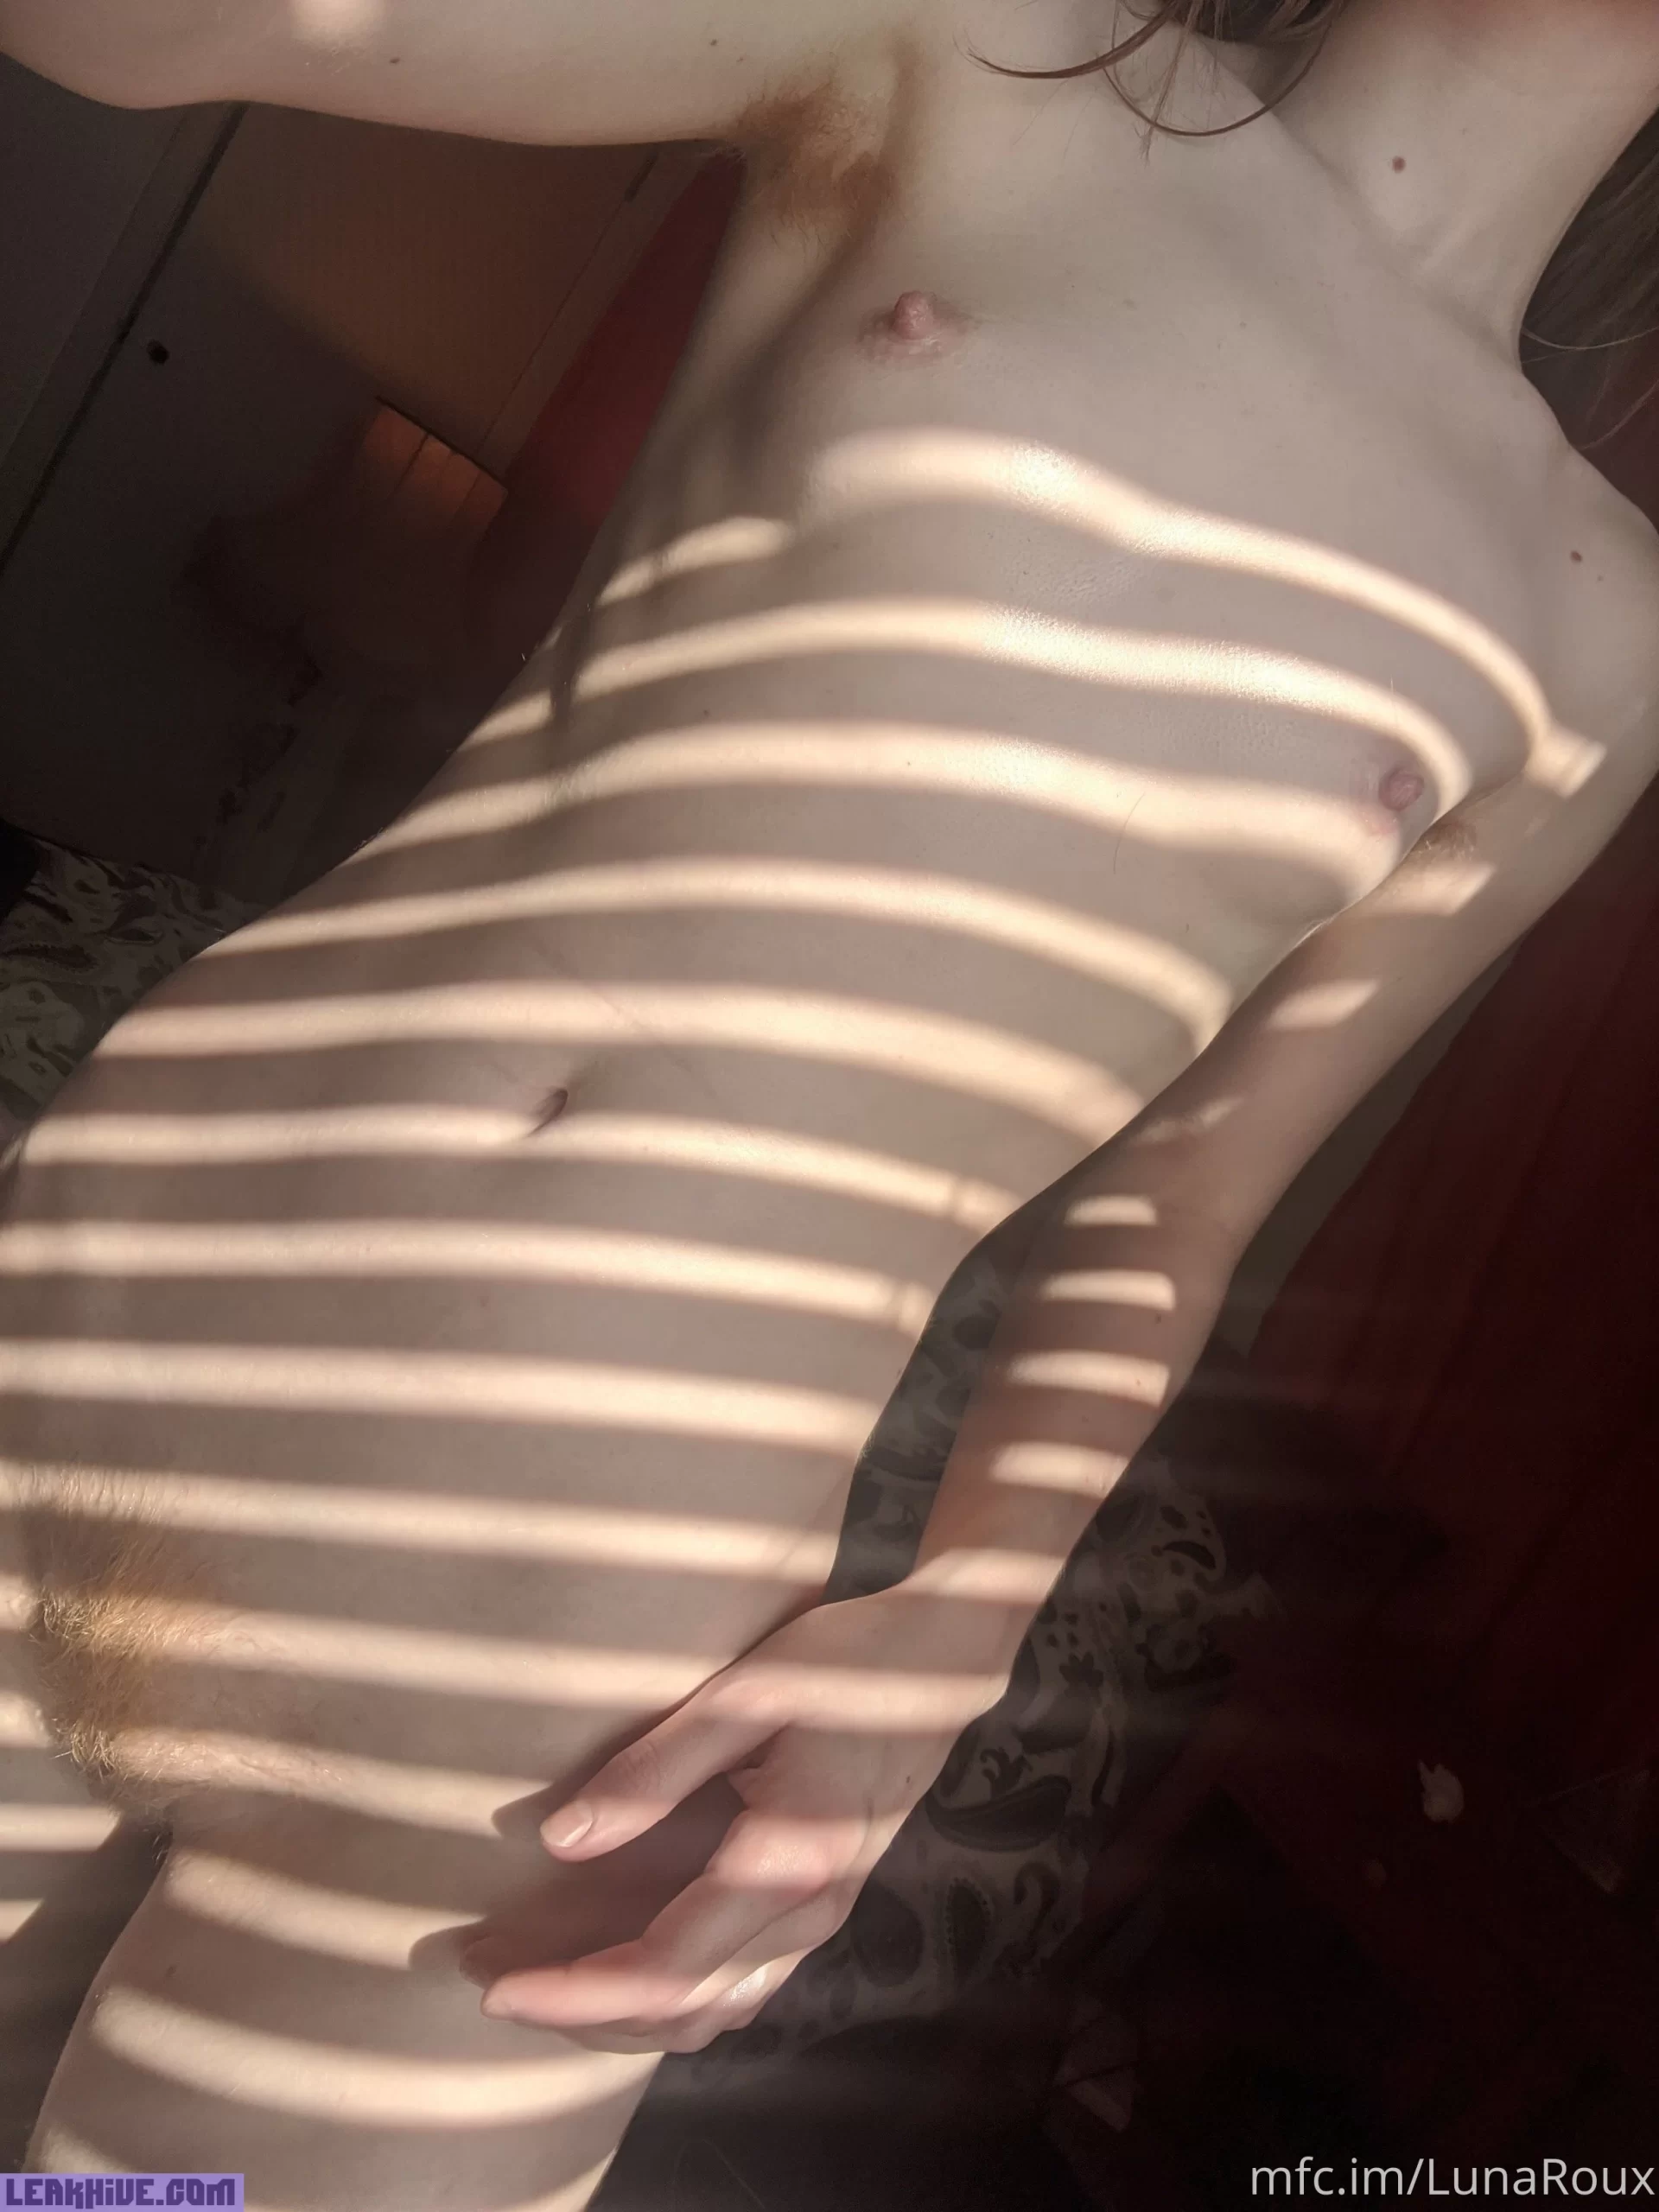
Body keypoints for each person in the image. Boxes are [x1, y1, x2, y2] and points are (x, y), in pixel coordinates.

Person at [3, 0, 1659, 2200]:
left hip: (546, 1684)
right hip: (88, 1315)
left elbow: (1180, 1203)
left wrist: (955, 1631)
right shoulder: (985, 52)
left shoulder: (1600, 630)